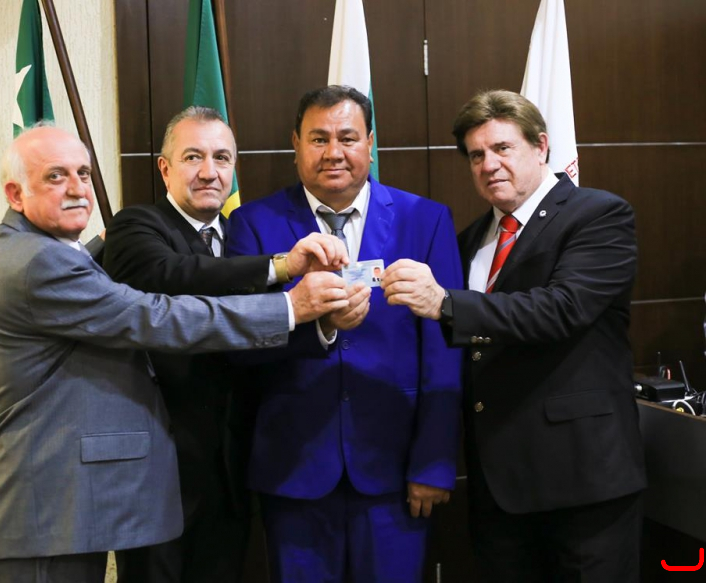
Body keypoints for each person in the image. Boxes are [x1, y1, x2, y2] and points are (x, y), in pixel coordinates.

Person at [0, 125, 350, 583]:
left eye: (84, 173)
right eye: (55, 176)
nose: (77, 188)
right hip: (45, 511)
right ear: (16, 194)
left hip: (71, 505)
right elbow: (154, 316)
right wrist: (290, 306)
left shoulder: (48, 249)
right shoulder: (39, 261)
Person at [381, 89, 646, 582]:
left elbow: (562, 309)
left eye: (502, 148)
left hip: (582, 484)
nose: (488, 165)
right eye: (476, 155)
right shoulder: (469, 240)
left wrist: (444, 303)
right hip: (499, 489)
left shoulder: (598, 214)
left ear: (541, 146)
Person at [226, 85, 463, 583]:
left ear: (370, 144)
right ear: (295, 144)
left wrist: (434, 462)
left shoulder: (426, 220)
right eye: (319, 138)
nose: (333, 152)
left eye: (348, 138)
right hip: (293, 472)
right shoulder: (253, 224)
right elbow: (240, 343)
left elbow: (444, 351)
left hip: (395, 472)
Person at [102, 106, 349, 583]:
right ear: (165, 168)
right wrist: (279, 267)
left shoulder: (242, 236)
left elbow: (260, 332)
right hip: (160, 469)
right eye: (193, 157)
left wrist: (326, 322)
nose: (209, 172)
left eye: (221, 158)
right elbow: (177, 276)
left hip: (234, 469)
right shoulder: (135, 227)